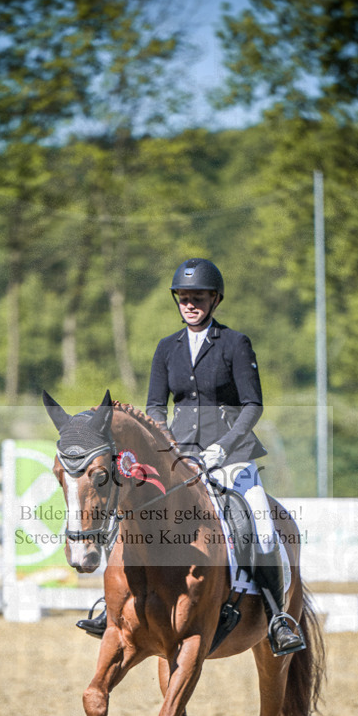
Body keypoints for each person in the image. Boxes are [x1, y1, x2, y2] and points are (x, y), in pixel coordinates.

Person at [77, 257, 303, 656]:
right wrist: (164, 448)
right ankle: (112, 608)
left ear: (214, 300)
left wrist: (223, 447)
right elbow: (154, 406)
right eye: (183, 298)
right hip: (178, 456)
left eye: (198, 297)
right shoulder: (167, 348)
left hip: (231, 457)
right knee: (132, 510)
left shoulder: (235, 344)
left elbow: (252, 405)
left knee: (260, 523)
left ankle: (276, 616)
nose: (190, 304)